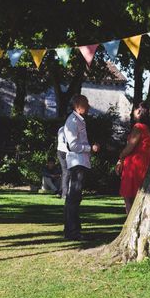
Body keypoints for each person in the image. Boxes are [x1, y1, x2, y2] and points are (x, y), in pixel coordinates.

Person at [63, 95, 100, 241]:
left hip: (79, 162)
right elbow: (73, 145)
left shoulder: (77, 120)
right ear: (78, 105)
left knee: (74, 198)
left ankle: (72, 230)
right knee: (74, 198)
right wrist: (90, 148)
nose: (89, 106)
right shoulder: (73, 120)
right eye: (86, 103)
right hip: (77, 162)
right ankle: (72, 232)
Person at [115, 102, 150, 214]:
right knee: (141, 196)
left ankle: (129, 223)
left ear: (138, 112)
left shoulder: (138, 127)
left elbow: (130, 147)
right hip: (146, 164)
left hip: (134, 165)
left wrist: (120, 157)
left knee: (128, 197)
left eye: (134, 110)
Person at [56, 126, 69, 199]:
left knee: (65, 172)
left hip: (60, 150)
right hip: (65, 151)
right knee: (67, 172)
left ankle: (61, 191)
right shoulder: (68, 129)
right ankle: (64, 193)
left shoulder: (61, 128)